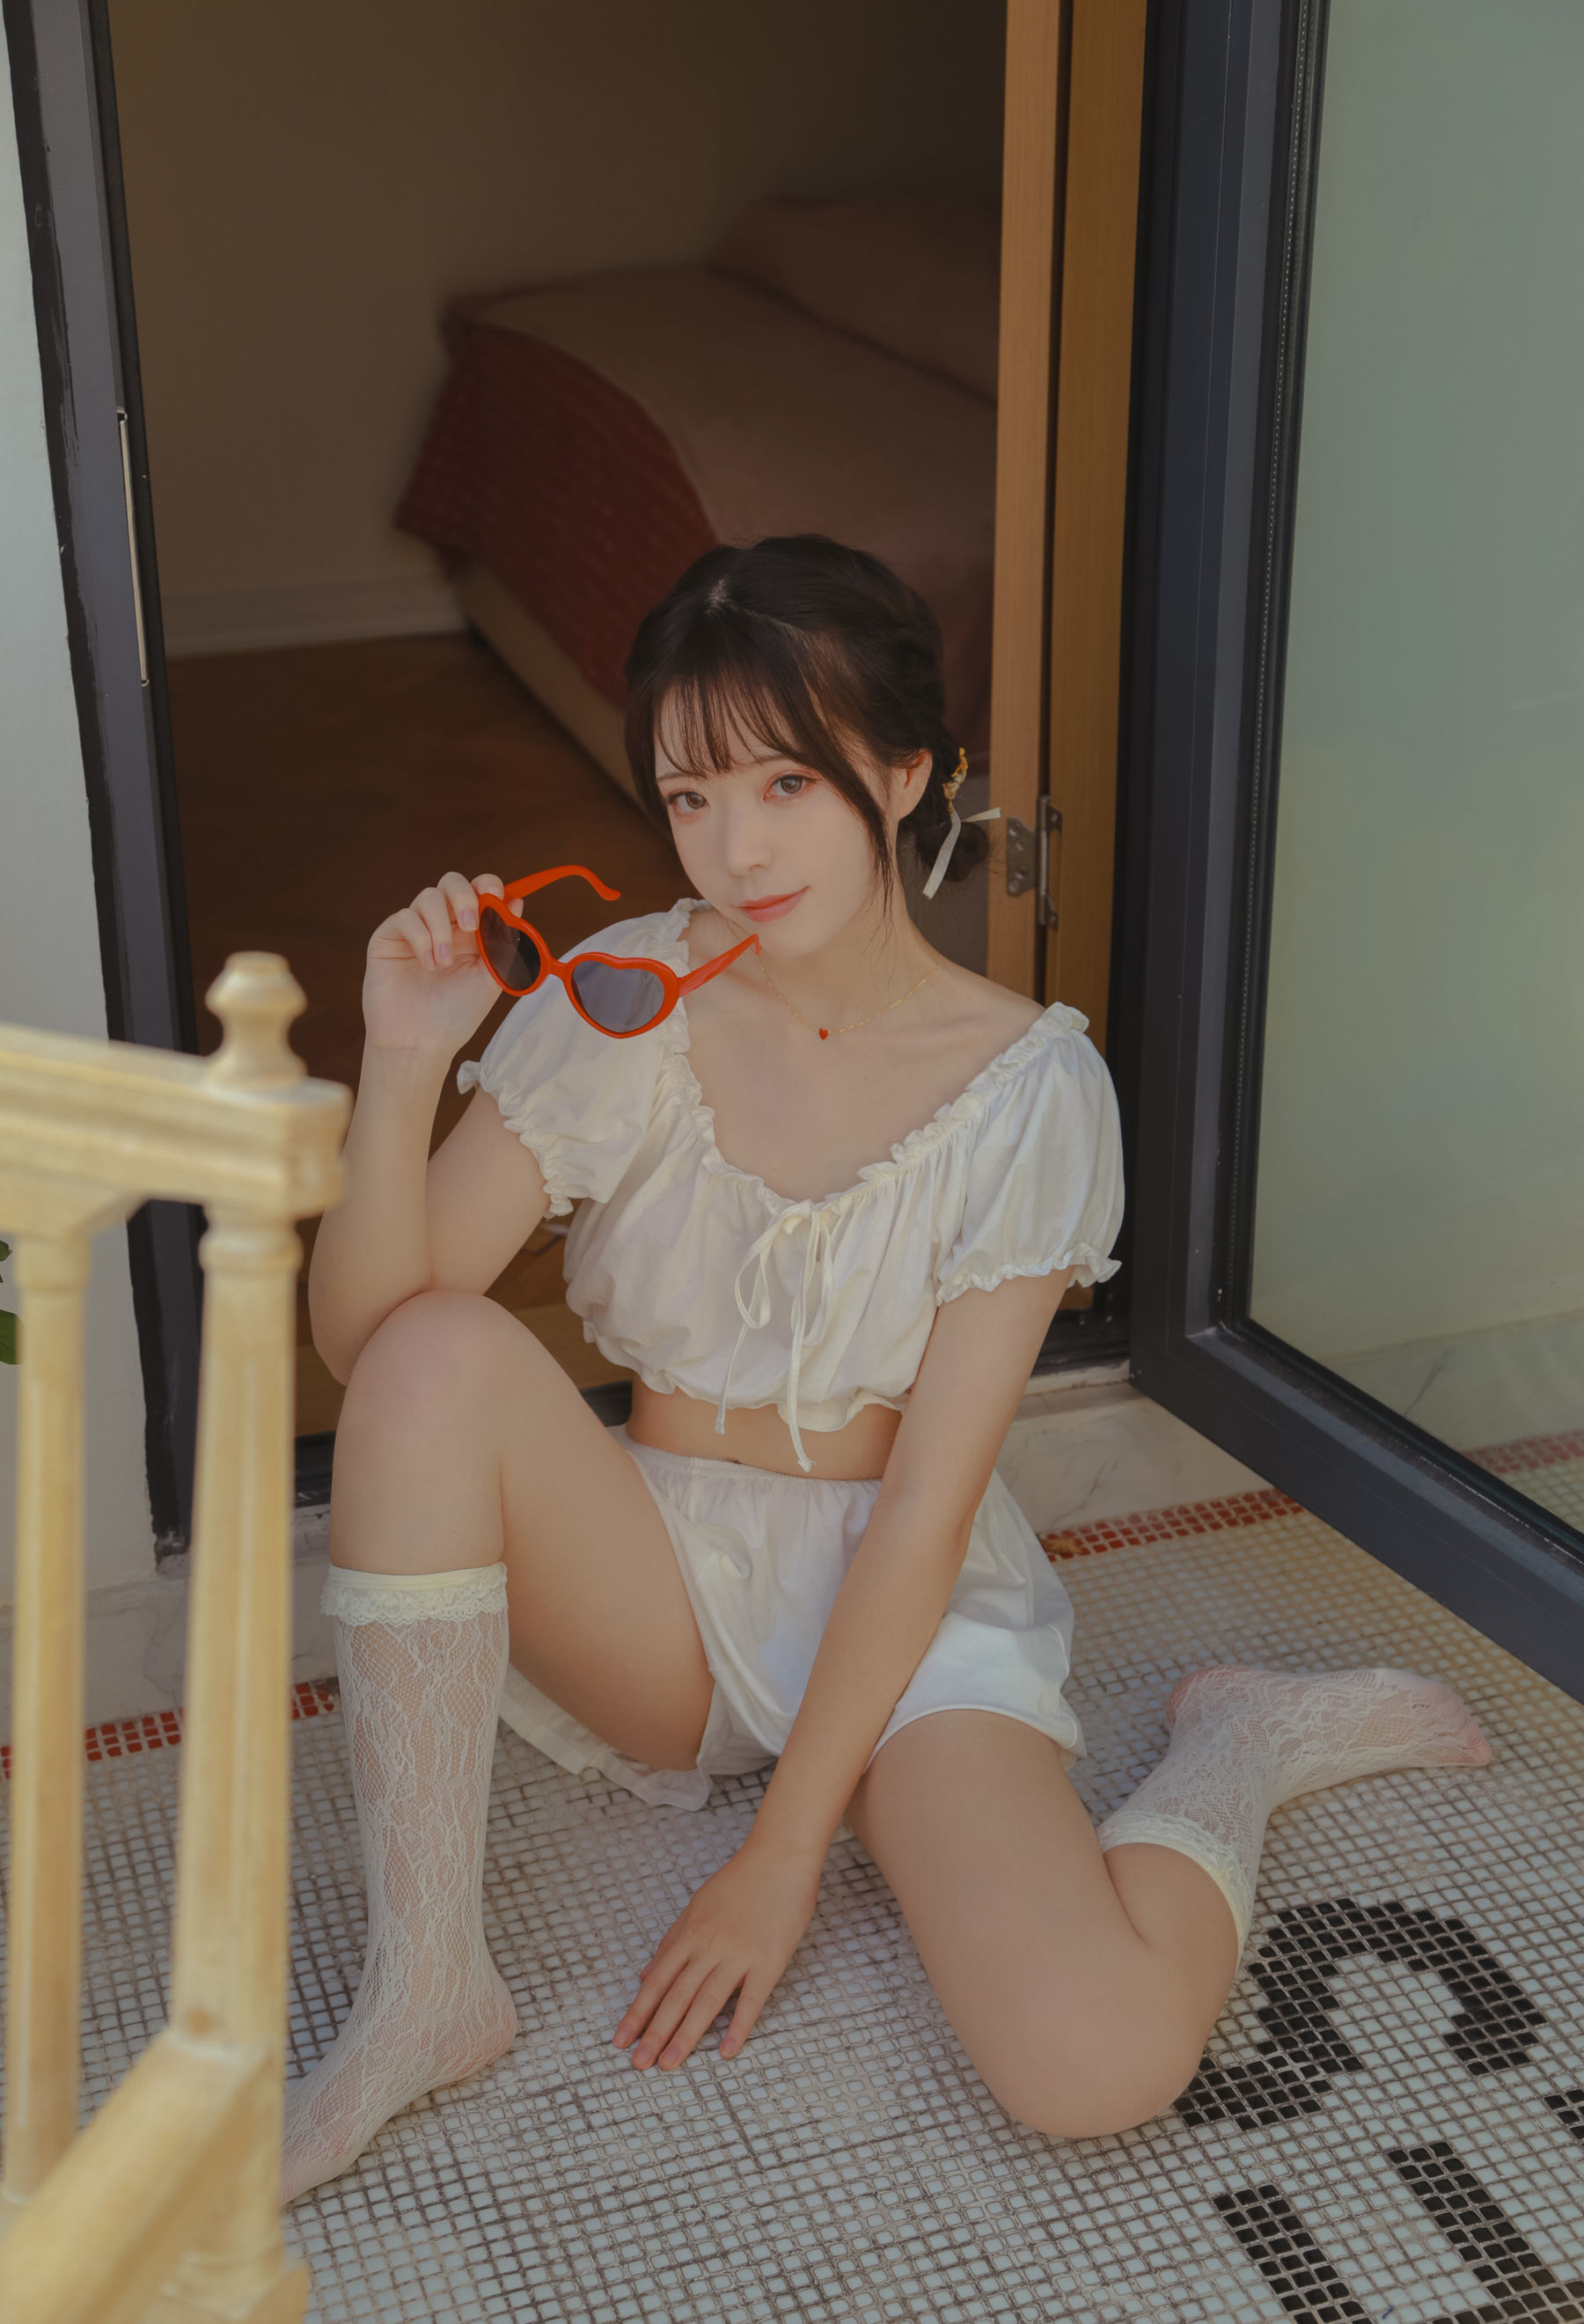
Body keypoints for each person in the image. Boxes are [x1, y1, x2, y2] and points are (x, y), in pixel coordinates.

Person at [282, 536, 1490, 2203]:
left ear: (908, 773)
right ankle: (427, 1983)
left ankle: (1243, 1745)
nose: (736, 847)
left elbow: (926, 1505)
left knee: (1096, 2060)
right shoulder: (631, 997)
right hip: (661, 1576)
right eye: (692, 794)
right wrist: (405, 1058)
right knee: (433, 1353)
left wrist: (784, 1860)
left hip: (904, 1593)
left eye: (787, 782)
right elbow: (368, 1345)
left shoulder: (1028, 1090)